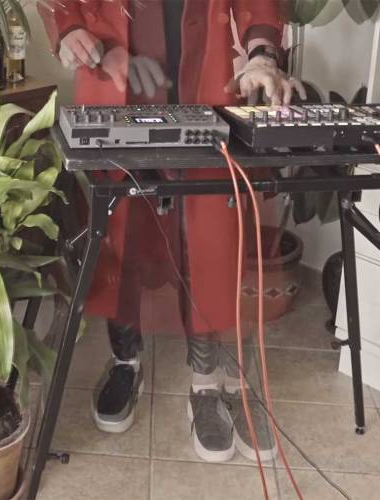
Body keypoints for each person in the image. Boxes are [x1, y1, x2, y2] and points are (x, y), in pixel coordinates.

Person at [47, 0, 303, 463]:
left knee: (209, 237)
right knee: (121, 234)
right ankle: (125, 362)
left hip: (203, 81)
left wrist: (263, 54)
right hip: (115, 79)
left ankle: (205, 383)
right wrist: (68, 29)